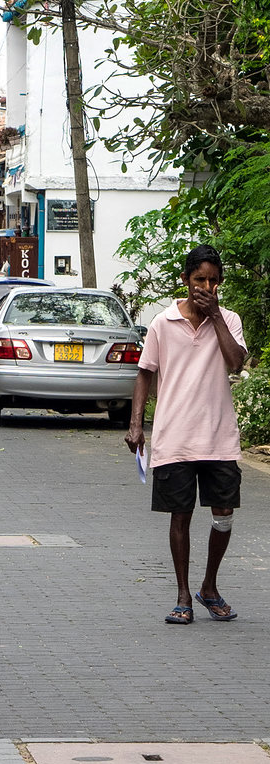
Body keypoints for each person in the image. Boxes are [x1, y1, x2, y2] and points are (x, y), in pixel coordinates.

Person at [125, 244, 247, 626]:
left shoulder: (229, 319)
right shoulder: (163, 322)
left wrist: (216, 319)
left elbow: (236, 361)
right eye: (200, 280)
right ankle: (182, 596)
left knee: (223, 514)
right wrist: (135, 424)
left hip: (218, 436)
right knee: (181, 514)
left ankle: (209, 586)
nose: (207, 287)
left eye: (213, 281)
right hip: (174, 435)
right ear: (185, 280)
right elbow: (145, 372)